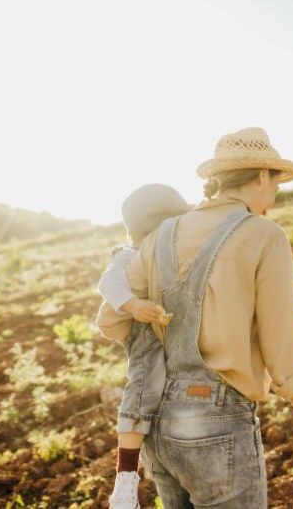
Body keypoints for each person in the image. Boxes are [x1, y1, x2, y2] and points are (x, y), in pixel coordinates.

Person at [97, 127, 293, 508]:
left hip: (157, 424)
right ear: (260, 175)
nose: (274, 196)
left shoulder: (160, 235)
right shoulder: (264, 235)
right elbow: (282, 347)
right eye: (275, 184)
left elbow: (111, 320)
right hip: (217, 421)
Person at [95, 184, 191, 509]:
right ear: (156, 231)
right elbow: (108, 283)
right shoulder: (128, 255)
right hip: (146, 340)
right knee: (142, 391)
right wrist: (133, 305)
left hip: (172, 342)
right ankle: (125, 480)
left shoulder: (171, 255)